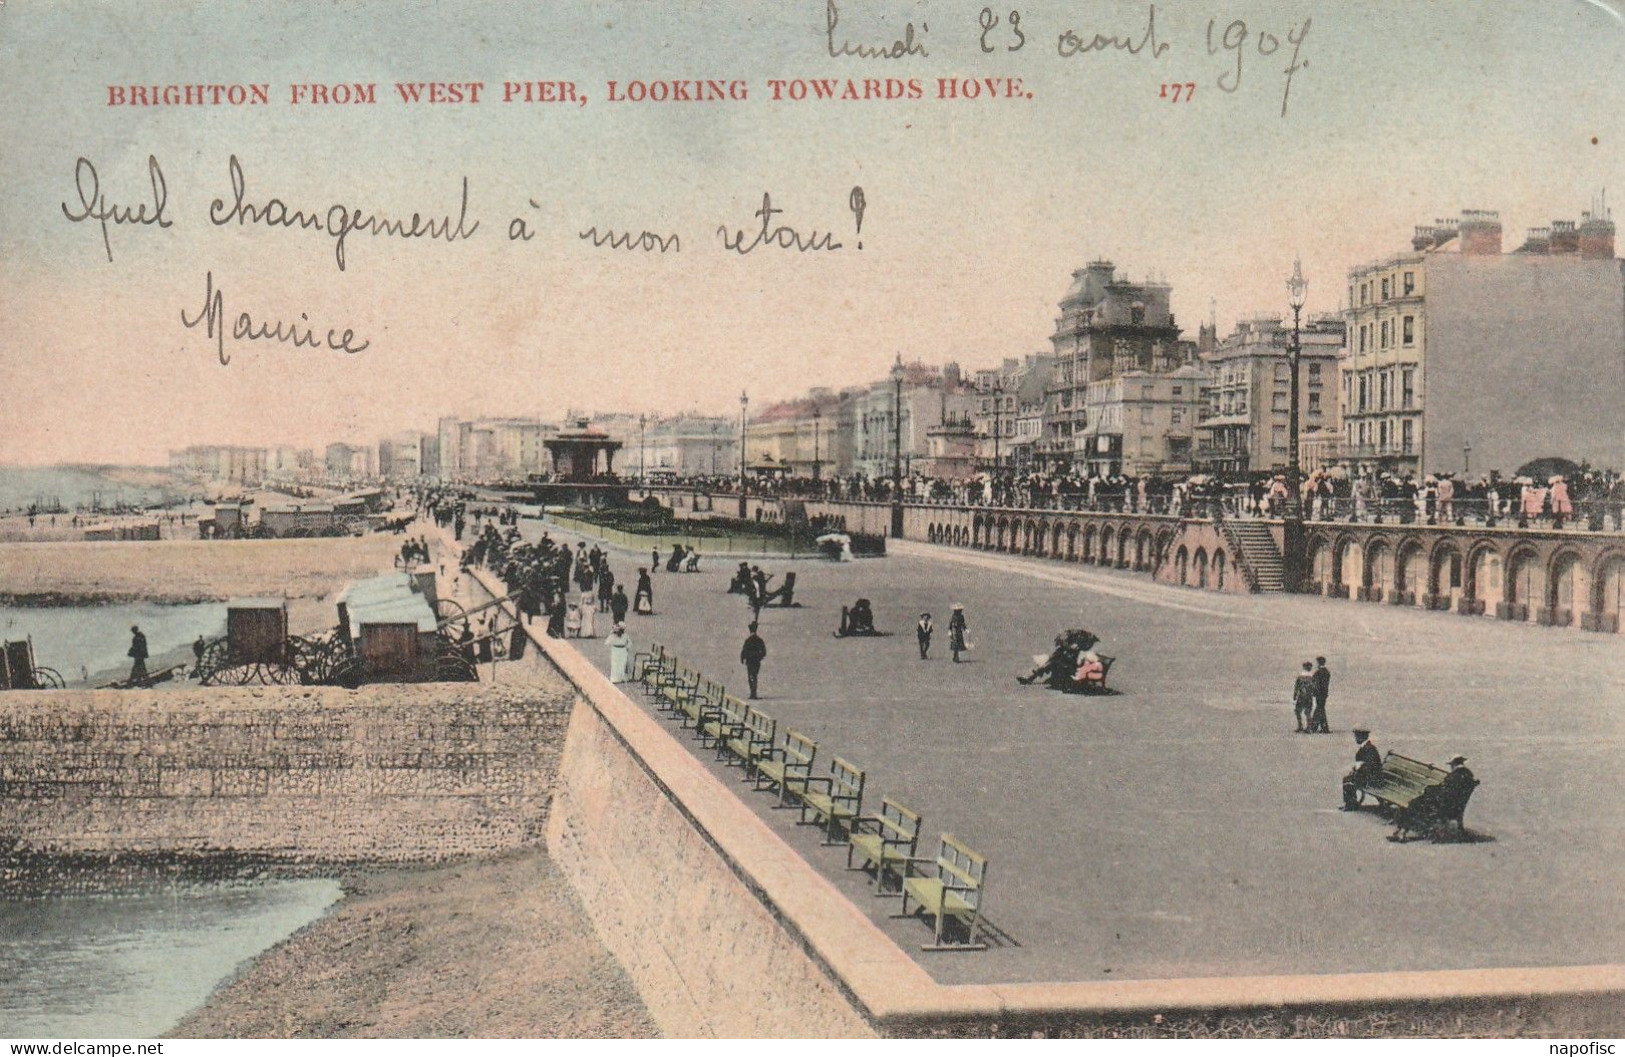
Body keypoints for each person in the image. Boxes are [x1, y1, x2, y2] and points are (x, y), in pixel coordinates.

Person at [1390, 755, 1478, 842]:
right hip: (1455, 806)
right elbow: (1449, 791)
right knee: (1417, 801)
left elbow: (1446, 792)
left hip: (1445, 807)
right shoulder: (1467, 774)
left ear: (1454, 764)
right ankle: (1401, 831)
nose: (1451, 767)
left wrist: (1430, 790)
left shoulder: (1455, 775)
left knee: (1414, 803)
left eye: (1451, 765)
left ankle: (1402, 831)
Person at [1342, 729, 1383, 810]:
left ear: (1362, 737)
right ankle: (1349, 803)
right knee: (1347, 779)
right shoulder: (1366, 747)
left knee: (1348, 781)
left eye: (1357, 737)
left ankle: (1350, 805)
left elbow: (1371, 766)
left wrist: (1358, 772)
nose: (1356, 739)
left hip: (1372, 778)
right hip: (1368, 776)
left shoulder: (1369, 749)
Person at [740, 621, 767, 699]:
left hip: (749, 661)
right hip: (756, 661)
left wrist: (742, 659)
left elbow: (744, 651)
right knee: (754, 676)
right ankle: (754, 692)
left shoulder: (748, 640)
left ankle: (753, 692)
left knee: (751, 676)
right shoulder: (759, 640)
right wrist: (759, 657)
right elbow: (764, 652)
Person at [1310, 656, 1332, 733]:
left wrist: (1314, 691)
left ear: (1319, 663)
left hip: (1319, 694)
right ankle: (1323, 727)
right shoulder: (1327, 672)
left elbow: (1315, 682)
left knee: (1319, 709)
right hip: (1324, 694)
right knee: (1321, 709)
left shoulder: (1318, 673)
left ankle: (1314, 727)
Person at [1292, 661, 1315, 733]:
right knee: (1308, 712)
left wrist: (1295, 695)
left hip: (1301, 696)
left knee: (1297, 711)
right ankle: (1308, 727)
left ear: (1304, 667)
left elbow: (1296, 687)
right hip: (1309, 697)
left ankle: (1300, 726)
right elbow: (1314, 687)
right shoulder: (1312, 677)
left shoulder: (1300, 677)